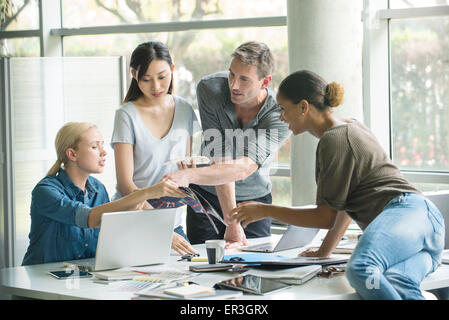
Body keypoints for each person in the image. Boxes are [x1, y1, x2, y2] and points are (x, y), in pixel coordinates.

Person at [231, 70, 445, 300]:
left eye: (283, 109)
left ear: (303, 107)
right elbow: (344, 206)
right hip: (423, 228)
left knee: (362, 268)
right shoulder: (349, 127)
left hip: (407, 213)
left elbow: (325, 217)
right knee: (396, 282)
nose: (281, 117)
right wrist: (325, 252)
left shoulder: (334, 139)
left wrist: (264, 210)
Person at [164, 41, 290, 247]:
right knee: (201, 266)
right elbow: (221, 155)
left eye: (244, 79)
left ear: (265, 81)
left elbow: (243, 167)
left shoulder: (278, 114)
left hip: (253, 199)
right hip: (208, 194)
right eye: (231, 74)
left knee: (252, 269)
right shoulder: (210, 89)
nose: (234, 85)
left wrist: (186, 175)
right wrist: (232, 220)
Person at [22, 122, 186, 266]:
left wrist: (158, 230)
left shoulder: (98, 189)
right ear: (72, 154)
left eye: (102, 145)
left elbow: (113, 232)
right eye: (95, 147)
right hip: (41, 281)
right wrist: (147, 192)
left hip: (81, 280)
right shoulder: (45, 191)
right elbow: (90, 218)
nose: (104, 152)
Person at [111, 41, 201, 255]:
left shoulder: (185, 110)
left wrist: (189, 172)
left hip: (174, 225)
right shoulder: (126, 115)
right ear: (134, 75)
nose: (157, 87)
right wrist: (157, 224)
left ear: (172, 69)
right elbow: (125, 184)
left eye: (162, 77)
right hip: (135, 220)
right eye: (146, 79)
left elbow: (183, 171)